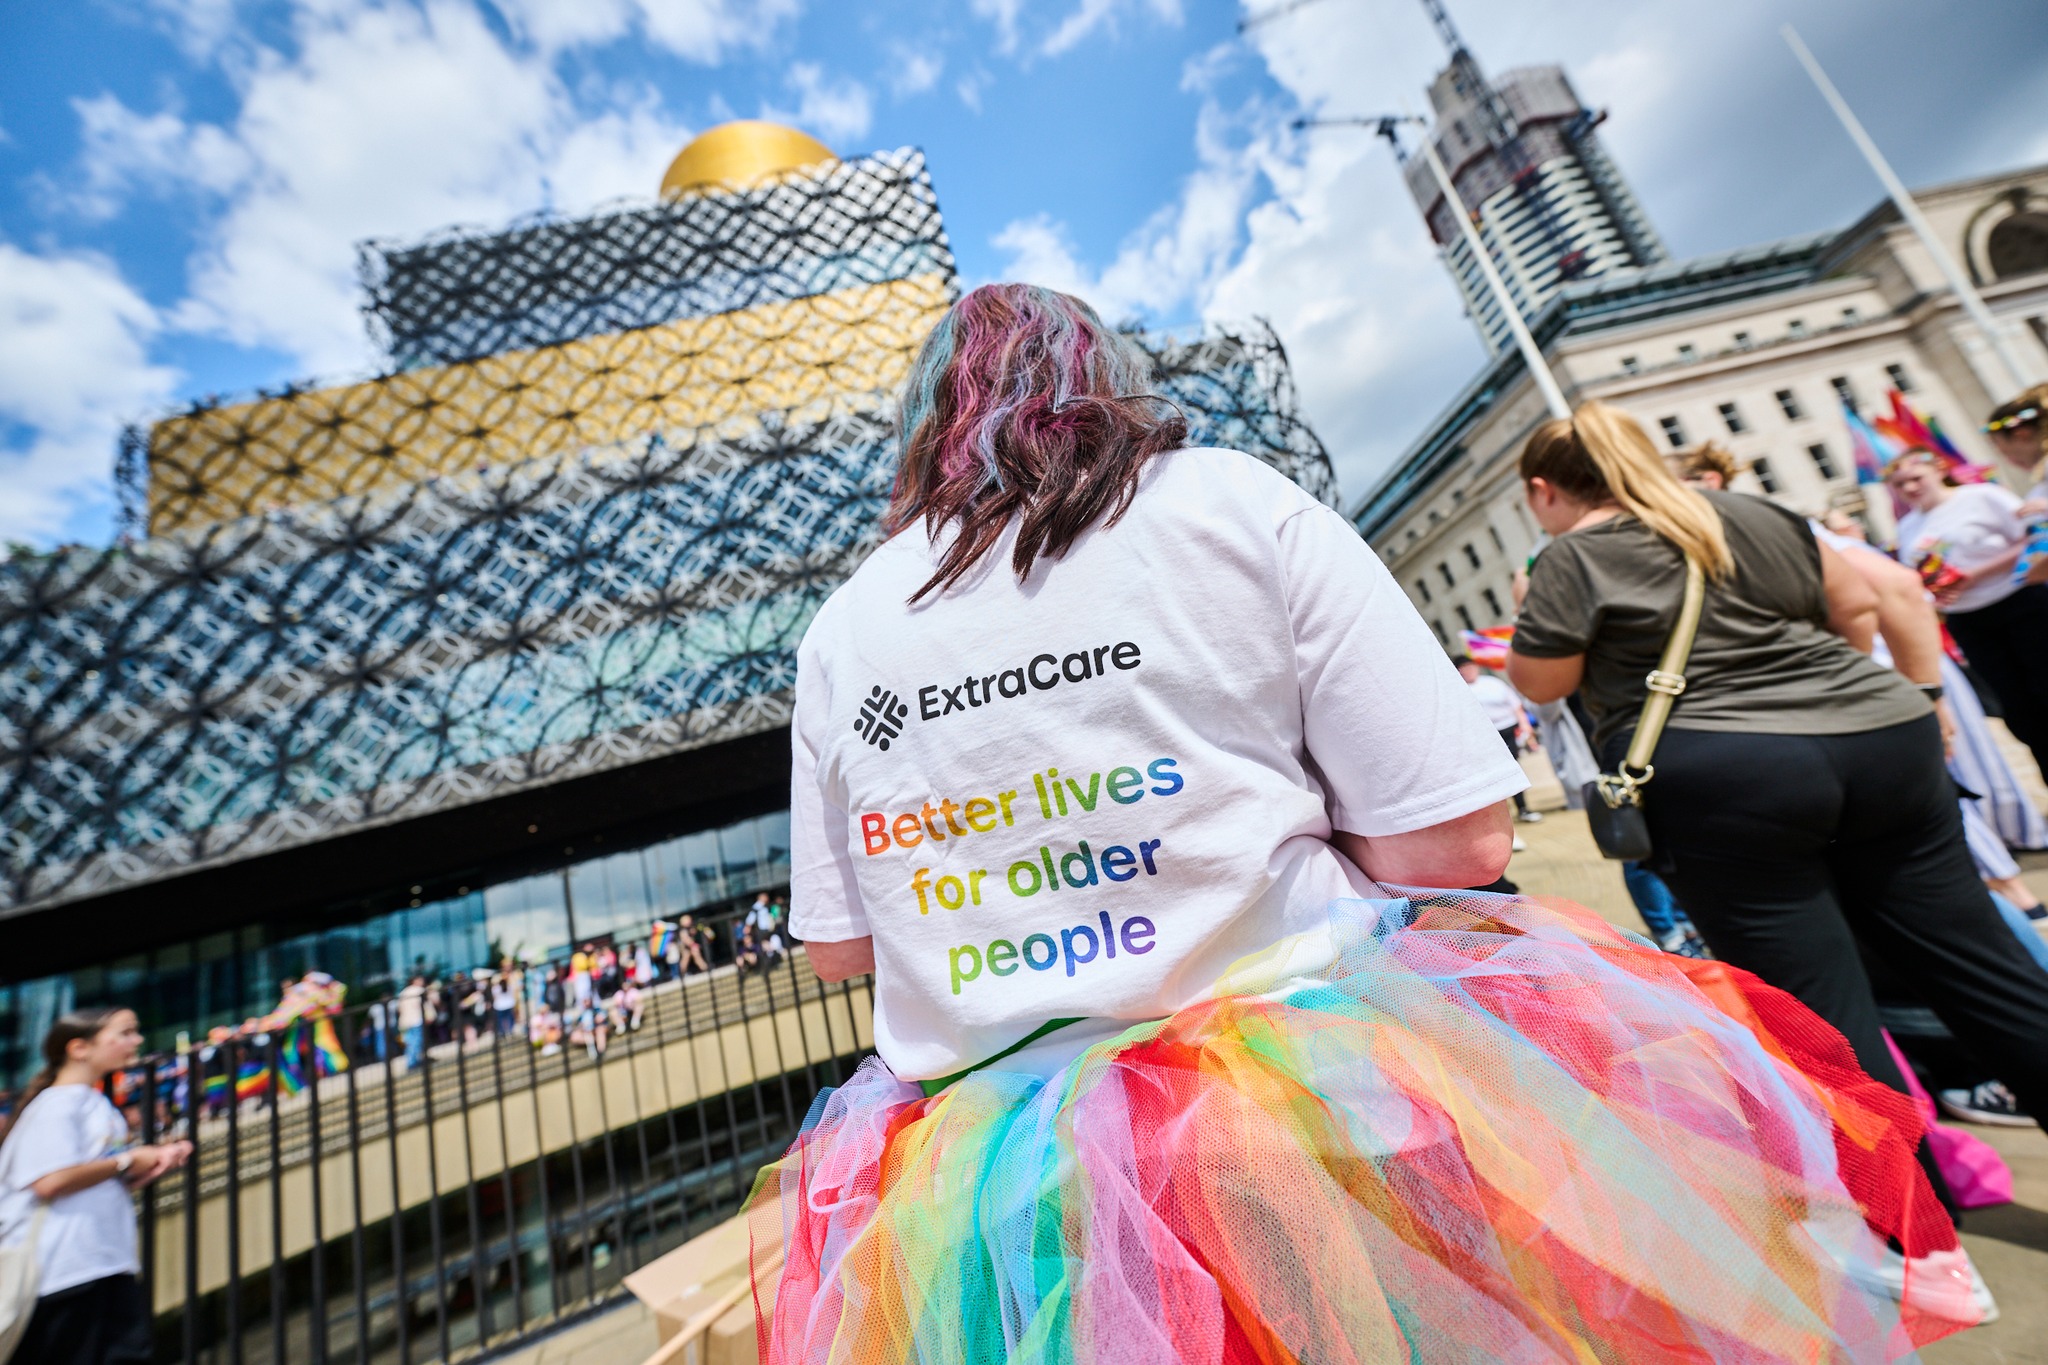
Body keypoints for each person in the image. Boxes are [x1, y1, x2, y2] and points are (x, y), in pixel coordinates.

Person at [755, 285, 1989, 1359]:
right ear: (1106, 383)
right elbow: (1456, 846)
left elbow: (842, 950)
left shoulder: (846, 627)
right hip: (1316, 1100)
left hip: (997, 1183)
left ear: (922, 428)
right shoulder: (1228, 503)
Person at [1508, 403, 2048, 1173]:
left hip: (1728, 780)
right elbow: (1857, 602)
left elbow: (1541, 677)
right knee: (1980, 960)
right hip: (1883, 738)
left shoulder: (1573, 555)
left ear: (1544, 489)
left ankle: (1921, 1238)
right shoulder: (1753, 510)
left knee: (1821, 1008)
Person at [0, 1007, 192, 1364]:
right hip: (65, 1269)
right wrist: (129, 1161)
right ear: (79, 1048)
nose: (135, 1041)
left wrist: (146, 1167)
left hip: (99, 1263)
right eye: (124, 1033)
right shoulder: (57, 1105)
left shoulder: (91, 1102)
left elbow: (84, 1181)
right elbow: (50, 1181)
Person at [1887, 449, 2048, 775]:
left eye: (1916, 478)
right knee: (2017, 708)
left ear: (1937, 471)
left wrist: (1977, 574)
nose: (1911, 488)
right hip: (1970, 620)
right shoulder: (1908, 527)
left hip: (2021, 602)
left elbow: (2033, 538)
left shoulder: (1981, 496)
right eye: (1901, 484)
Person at [1453, 654, 1540, 826]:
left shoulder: (1493, 683)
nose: (1468, 671)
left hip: (1508, 730)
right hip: (1485, 735)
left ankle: (1523, 808)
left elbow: (1516, 706)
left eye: (1470, 666)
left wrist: (1525, 725)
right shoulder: (1458, 690)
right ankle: (1501, 815)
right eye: (1463, 668)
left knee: (1513, 768)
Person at [393, 976, 427, 1069]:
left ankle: (412, 1061)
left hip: (404, 1021)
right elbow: (420, 1005)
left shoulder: (403, 992)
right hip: (416, 1019)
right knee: (416, 1041)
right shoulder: (419, 990)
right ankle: (413, 1062)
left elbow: (399, 1009)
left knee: (410, 1042)